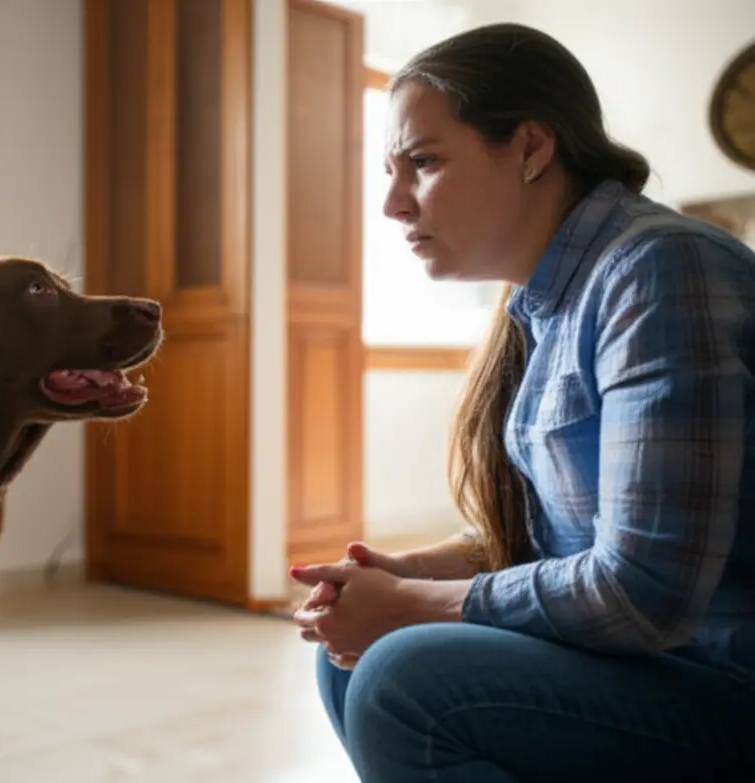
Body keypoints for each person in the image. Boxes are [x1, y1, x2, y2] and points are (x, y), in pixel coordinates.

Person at [289, 21, 755, 783]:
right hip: (664, 664)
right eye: (389, 172)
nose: (392, 204)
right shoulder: (548, 304)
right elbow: (565, 534)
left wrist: (415, 599)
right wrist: (407, 570)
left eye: (422, 163)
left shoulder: (660, 270)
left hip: (724, 676)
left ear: (532, 148)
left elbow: (645, 593)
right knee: (354, 658)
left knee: (402, 677)